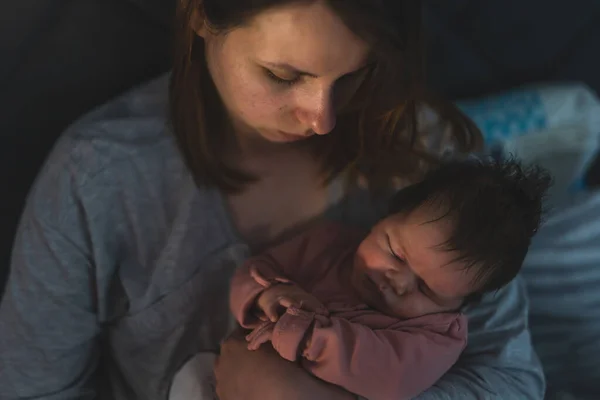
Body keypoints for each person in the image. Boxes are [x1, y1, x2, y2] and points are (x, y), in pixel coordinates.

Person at [0, 1, 545, 399]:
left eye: (356, 76)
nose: (322, 118)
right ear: (201, 19)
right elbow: (32, 389)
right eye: (284, 75)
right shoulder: (97, 178)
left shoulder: (432, 159)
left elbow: (511, 380)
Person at [224, 158, 552, 400]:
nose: (397, 282)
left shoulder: (435, 336)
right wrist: (268, 294)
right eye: (396, 253)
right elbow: (256, 269)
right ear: (384, 218)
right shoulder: (329, 243)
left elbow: (387, 376)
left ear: (461, 305)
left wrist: (310, 337)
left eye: (426, 289)